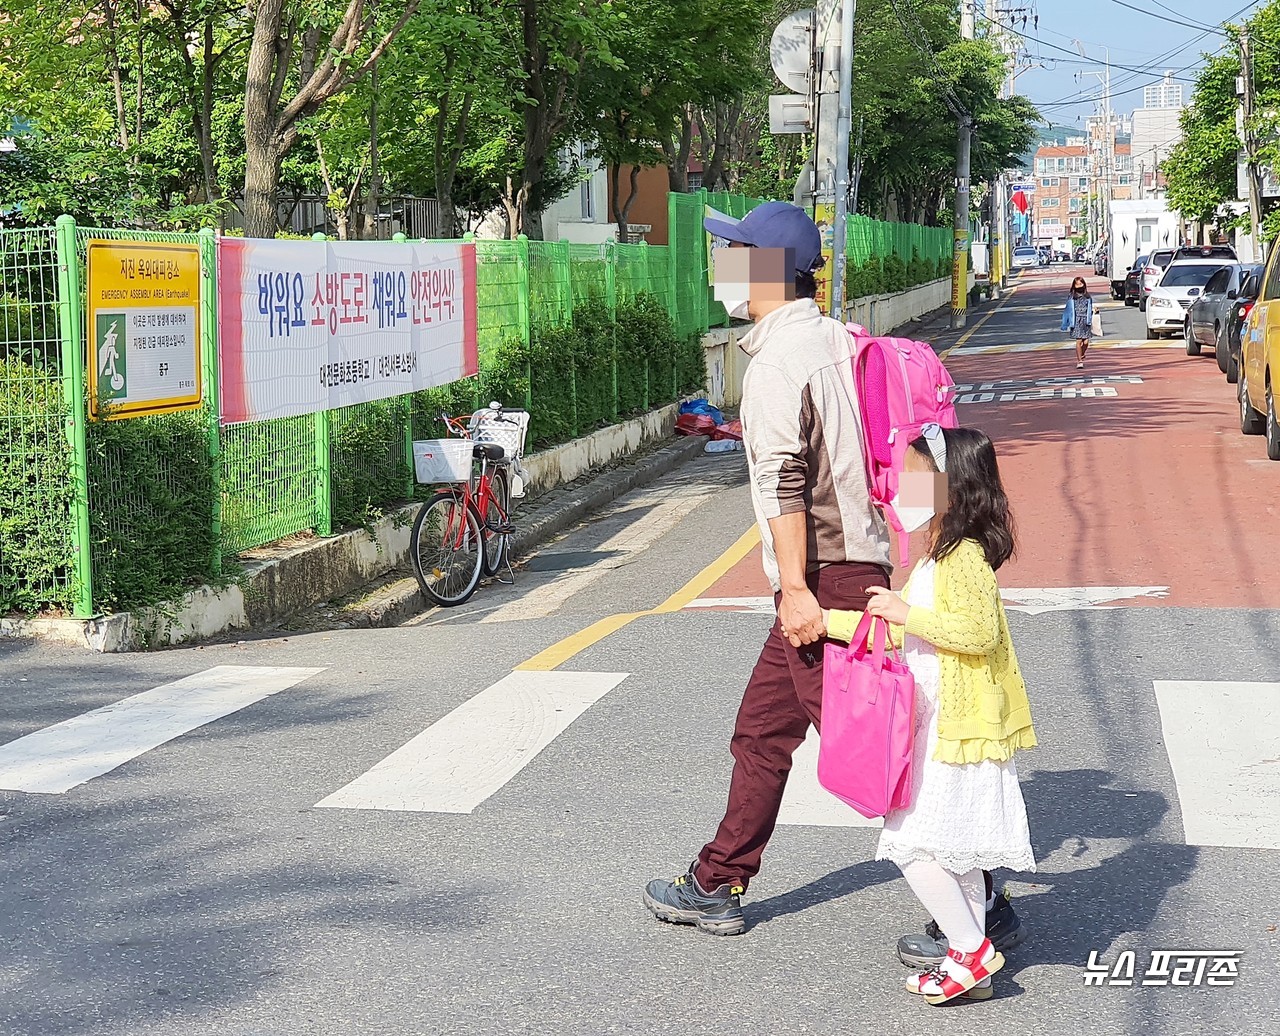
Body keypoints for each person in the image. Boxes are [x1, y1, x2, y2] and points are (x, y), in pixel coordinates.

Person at [642, 202, 1024, 962]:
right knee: (762, 730)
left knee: (882, 752)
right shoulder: (841, 339)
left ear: (767, 269)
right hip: (848, 567)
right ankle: (719, 878)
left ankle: (981, 900)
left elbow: (784, 479)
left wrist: (793, 590)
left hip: (825, 580)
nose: (722, 266)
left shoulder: (783, 361)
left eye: (734, 252)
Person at [823, 425, 1038, 1005]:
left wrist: (903, 611)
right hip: (934, 723)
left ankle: (970, 950)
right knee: (953, 850)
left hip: (953, 729)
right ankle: (969, 962)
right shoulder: (937, 556)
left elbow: (977, 632)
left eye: (916, 478)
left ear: (952, 487)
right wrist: (828, 626)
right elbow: (898, 634)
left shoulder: (963, 557)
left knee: (911, 845)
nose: (903, 489)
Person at [1061, 276, 1094, 369]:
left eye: (1081, 283)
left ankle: (1082, 353)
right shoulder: (1072, 297)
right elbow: (1067, 310)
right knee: (1079, 341)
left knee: (1086, 342)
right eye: (1077, 284)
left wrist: (1094, 311)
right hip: (1076, 321)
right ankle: (1079, 360)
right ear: (1074, 286)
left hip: (1086, 321)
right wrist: (1065, 323)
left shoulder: (1088, 296)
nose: (1079, 286)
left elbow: (1090, 308)